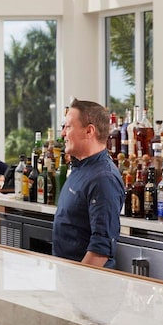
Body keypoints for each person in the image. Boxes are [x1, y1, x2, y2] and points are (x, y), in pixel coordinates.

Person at [53, 99, 126, 268]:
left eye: (68, 127)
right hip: (68, 278)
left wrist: (77, 286)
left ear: (89, 131)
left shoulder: (103, 178)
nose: (63, 133)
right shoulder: (80, 167)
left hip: (86, 287)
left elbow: (101, 249)